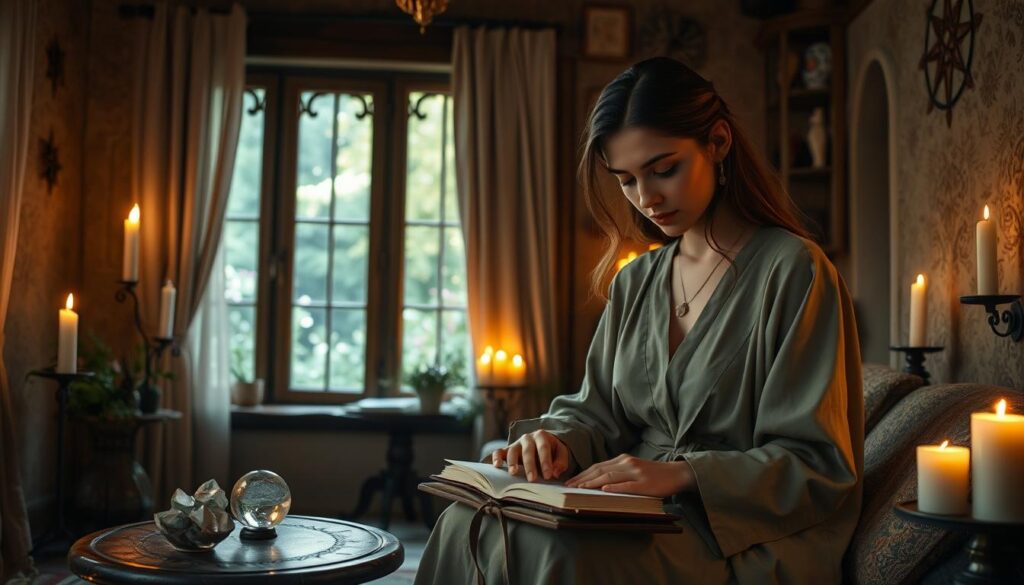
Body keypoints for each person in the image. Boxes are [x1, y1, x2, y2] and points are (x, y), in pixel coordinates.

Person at [415, 57, 863, 584]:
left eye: (663, 169)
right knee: (465, 519)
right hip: (629, 506)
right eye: (626, 180)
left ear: (717, 143)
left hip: (739, 531)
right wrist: (555, 441)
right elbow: (597, 412)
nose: (646, 198)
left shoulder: (795, 270)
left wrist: (680, 474)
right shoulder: (637, 281)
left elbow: (817, 462)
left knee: (556, 554)